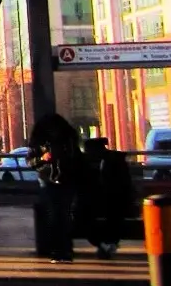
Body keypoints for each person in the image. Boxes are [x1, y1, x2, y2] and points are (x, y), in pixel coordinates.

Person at [29, 112, 80, 263]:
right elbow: (31, 160)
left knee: (60, 215)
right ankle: (62, 250)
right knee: (58, 215)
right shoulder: (67, 139)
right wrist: (42, 158)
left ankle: (61, 250)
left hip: (59, 179)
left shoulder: (45, 140)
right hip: (53, 179)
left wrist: (41, 160)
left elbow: (31, 161)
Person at [77, 135, 135, 259]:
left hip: (109, 200)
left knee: (89, 217)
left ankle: (105, 244)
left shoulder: (110, 161)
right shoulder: (115, 160)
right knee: (111, 218)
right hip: (109, 201)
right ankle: (107, 244)